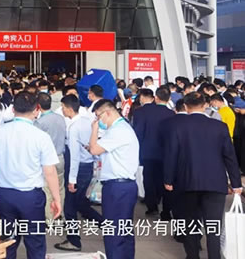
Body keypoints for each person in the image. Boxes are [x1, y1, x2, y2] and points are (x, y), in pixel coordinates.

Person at [0, 92, 62, 259]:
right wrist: (56, 199)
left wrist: (0, 171)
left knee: (8, 239)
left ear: (13, 109)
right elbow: (50, 171)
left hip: (6, 194)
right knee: (35, 240)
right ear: (36, 110)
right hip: (31, 196)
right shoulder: (41, 136)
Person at [164, 92, 242, 259]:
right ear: (205, 105)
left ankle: (193, 256)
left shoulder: (178, 127)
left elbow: (171, 155)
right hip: (215, 183)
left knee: (190, 224)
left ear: (186, 107)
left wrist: (168, 179)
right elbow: (230, 157)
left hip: (186, 182)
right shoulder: (219, 127)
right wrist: (236, 183)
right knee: (213, 226)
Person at [88, 99, 140, 259]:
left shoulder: (118, 131)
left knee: (114, 233)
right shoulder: (120, 128)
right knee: (123, 231)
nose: (98, 121)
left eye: (98, 116)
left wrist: (94, 130)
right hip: (123, 186)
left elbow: (94, 149)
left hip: (118, 187)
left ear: (108, 113)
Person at [54, 94, 101, 252]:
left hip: (78, 169)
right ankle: (108, 226)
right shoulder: (87, 121)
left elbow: (74, 156)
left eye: (63, 107)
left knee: (70, 207)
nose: (62, 110)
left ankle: (74, 241)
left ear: (68, 108)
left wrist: (72, 180)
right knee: (81, 204)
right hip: (87, 166)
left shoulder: (74, 128)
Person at [131, 85, 175, 220]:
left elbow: (137, 133)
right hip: (166, 153)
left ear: (156, 97)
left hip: (148, 151)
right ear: (169, 99)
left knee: (149, 179)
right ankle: (166, 209)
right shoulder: (172, 114)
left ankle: (152, 207)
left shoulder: (140, 112)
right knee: (165, 179)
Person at [33, 92, 66, 223]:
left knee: (47, 189)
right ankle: (60, 215)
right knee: (60, 187)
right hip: (60, 157)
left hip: (46, 160)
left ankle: (49, 217)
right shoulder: (60, 118)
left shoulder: (39, 122)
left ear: (38, 106)